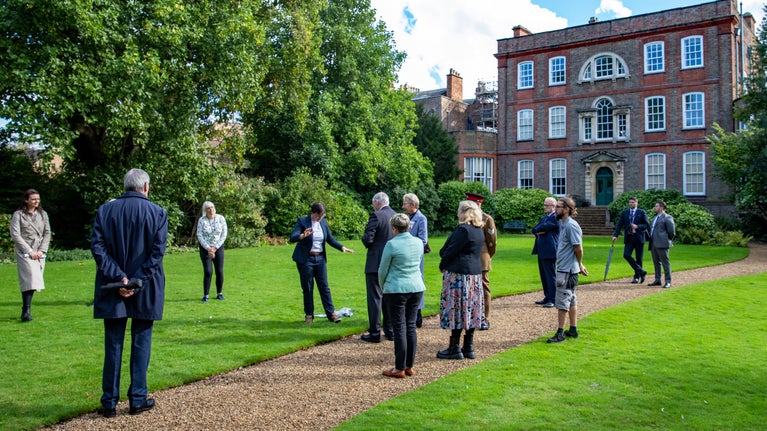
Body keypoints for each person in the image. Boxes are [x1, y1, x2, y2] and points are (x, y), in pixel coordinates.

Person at [91, 168, 168, 418]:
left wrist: (119, 277)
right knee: (141, 342)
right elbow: (156, 254)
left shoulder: (105, 210)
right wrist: (134, 280)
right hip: (144, 286)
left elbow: (98, 248)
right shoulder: (157, 213)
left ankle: (109, 402)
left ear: (126, 186)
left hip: (113, 285)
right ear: (146, 186)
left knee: (113, 344)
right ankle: (137, 398)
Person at [290, 202, 355, 324]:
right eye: (318, 216)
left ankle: (331, 314)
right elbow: (292, 237)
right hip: (306, 259)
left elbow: (330, 239)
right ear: (313, 213)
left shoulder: (323, 223)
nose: (320, 218)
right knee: (308, 287)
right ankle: (309, 315)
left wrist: (342, 247)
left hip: (319, 259)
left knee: (324, 287)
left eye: (322, 216)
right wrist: (303, 235)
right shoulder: (302, 221)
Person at [378, 213, 426, 378]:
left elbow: (382, 269)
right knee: (410, 326)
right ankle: (409, 366)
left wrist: (383, 285)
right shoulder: (419, 242)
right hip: (416, 287)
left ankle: (399, 367)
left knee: (399, 327)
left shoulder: (391, 244)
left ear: (394, 228)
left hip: (397, 288)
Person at [437, 200, 484, 360]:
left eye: (459, 211)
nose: (457, 214)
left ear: (464, 212)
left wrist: (442, 265)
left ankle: (454, 348)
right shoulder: (479, 230)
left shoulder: (463, 230)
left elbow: (448, 251)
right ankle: (468, 346)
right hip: (474, 275)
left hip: (459, 274)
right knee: (471, 309)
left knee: (457, 309)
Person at [547, 197, 588, 344]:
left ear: (566, 209)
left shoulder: (571, 225)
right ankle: (573, 329)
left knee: (563, 302)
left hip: (567, 270)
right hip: (566, 268)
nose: (555, 209)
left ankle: (560, 333)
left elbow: (578, 248)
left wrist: (580, 263)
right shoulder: (562, 223)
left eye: (558, 207)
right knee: (571, 300)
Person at [9, 189, 51, 322]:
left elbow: (47, 233)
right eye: (33, 199)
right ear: (26, 200)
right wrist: (29, 251)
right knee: (30, 277)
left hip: (39, 251)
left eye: (38, 199)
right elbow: (15, 234)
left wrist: (42, 250)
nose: (36, 201)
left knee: (34, 280)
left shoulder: (43, 214)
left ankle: (27, 308)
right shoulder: (19, 215)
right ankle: (26, 310)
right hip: (24, 251)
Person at [360, 192, 397, 343]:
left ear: (377, 203)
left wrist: (365, 239)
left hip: (376, 262)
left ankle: (375, 332)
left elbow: (368, 239)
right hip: (392, 262)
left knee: (375, 297)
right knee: (388, 297)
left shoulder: (376, 216)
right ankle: (390, 330)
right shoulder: (396, 215)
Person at [464, 192, 496, 330]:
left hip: (482, 258)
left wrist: (487, 256)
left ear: (479, 204)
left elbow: (492, 242)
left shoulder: (487, 219)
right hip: (468, 258)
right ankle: (472, 315)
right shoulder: (465, 218)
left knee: (484, 288)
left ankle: (486, 317)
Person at [402, 193, 428, 328]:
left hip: (416, 258)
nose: (402, 206)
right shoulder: (405, 218)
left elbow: (423, 240)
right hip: (404, 257)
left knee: (417, 283)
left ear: (413, 204)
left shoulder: (421, 219)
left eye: (405, 203)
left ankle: (418, 313)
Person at [611, 196, 650, 284]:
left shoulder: (641, 212)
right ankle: (641, 271)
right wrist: (615, 235)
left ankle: (636, 277)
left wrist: (637, 226)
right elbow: (619, 225)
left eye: (632, 202)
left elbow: (647, 225)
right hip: (629, 237)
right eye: (630, 202)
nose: (631, 204)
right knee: (626, 255)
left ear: (636, 203)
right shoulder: (625, 213)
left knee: (639, 258)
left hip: (639, 237)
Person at [197, 201, 227, 302]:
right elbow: (199, 235)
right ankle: (206, 295)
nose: (211, 210)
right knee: (208, 271)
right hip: (205, 248)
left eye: (212, 207)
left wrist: (215, 247)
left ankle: (219, 293)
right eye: (208, 208)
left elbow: (224, 234)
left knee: (219, 271)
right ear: (205, 210)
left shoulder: (221, 218)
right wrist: (208, 248)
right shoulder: (202, 220)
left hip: (218, 247)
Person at [531, 197, 558, 308]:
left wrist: (540, 230)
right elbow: (535, 229)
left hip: (550, 249)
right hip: (542, 249)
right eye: (544, 205)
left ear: (553, 206)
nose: (544, 207)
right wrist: (540, 230)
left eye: (547, 205)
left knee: (550, 275)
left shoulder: (555, 217)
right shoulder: (544, 218)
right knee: (544, 275)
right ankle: (547, 296)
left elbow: (544, 227)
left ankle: (553, 298)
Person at [647, 201, 676, 288]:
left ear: (662, 207)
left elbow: (672, 232)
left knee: (665, 263)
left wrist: (666, 240)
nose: (655, 208)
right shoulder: (655, 217)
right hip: (653, 243)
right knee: (656, 263)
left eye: (656, 206)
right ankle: (657, 279)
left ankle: (668, 281)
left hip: (662, 243)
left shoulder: (667, 217)